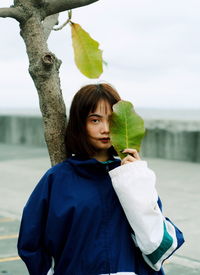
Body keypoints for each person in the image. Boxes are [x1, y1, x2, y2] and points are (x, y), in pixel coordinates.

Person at [17, 83, 184, 275]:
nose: (105, 129)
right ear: (81, 124)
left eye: (111, 120)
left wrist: (136, 177)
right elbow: (31, 242)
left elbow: (156, 244)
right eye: (95, 120)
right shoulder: (57, 179)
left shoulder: (132, 176)